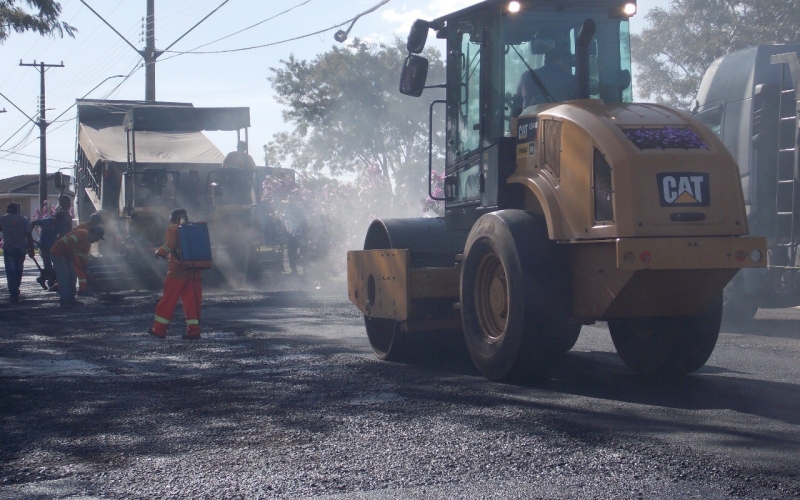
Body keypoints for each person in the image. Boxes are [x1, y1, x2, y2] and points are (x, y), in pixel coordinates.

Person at [149, 208, 203, 341]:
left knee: (168, 301)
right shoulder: (195, 228)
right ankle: (194, 332)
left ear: (174, 219)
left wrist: (159, 252)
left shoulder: (173, 229)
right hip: (194, 271)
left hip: (177, 272)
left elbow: (169, 246)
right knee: (193, 303)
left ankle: (159, 330)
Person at [49, 226, 105, 308]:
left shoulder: (87, 244)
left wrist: (85, 268)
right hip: (58, 253)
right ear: (93, 233)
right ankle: (65, 301)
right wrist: (71, 252)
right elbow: (70, 241)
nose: (96, 240)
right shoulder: (82, 233)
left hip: (67, 256)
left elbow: (83, 257)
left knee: (72, 276)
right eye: (97, 238)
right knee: (64, 277)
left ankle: (71, 298)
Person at [516, 43, 576, 110]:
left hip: (529, 120)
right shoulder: (572, 80)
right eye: (569, 64)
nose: (569, 68)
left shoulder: (526, 77)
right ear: (560, 60)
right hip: (564, 119)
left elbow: (516, 110)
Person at [0, 203, 35, 302]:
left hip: (9, 249)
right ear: (17, 210)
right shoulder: (23, 220)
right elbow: (29, 236)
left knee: (10, 271)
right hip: (21, 249)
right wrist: (32, 250)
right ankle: (16, 289)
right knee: (18, 271)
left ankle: (13, 292)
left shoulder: (3, 219)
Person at [30, 210, 68, 289]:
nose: (60, 221)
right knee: (48, 265)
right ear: (55, 218)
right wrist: (29, 234)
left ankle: (42, 278)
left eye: (61, 220)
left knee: (57, 265)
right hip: (43, 246)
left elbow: (62, 235)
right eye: (59, 219)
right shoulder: (46, 221)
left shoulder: (61, 225)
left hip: (53, 247)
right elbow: (33, 223)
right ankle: (50, 283)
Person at [72, 212, 104, 294]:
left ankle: (57, 287)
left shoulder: (88, 229)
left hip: (77, 254)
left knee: (72, 274)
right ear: (93, 221)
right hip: (73, 253)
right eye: (97, 223)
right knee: (80, 274)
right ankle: (82, 291)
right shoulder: (84, 228)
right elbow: (78, 244)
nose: (97, 225)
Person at [281, 194, 307, 275]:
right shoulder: (297, 209)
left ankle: (296, 269)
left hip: (294, 233)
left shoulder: (289, 210)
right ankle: (302, 269)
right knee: (298, 252)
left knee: (293, 252)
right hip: (297, 233)